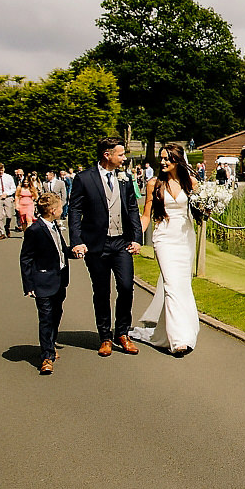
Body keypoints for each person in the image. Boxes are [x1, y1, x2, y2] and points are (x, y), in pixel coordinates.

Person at [68, 137, 143, 357]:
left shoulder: (125, 178)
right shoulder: (84, 179)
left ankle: (122, 332)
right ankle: (105, 337)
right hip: (96, 244)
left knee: (127, 287)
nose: (124, 158)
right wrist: (77, 241)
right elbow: (74, 211)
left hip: (121, 242)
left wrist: (137, 238)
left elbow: (132, 209)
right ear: (107, 155)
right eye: (120, 154)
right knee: (101, 291)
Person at [130, 143, 200, 356]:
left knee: (182, 285)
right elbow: (146, 215)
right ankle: (179, 340)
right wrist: (137, 239)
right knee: (170, 284)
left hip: (185, 237)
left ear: (177, 160)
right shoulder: (154, 183)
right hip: (164, 238)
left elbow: (198, 210)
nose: (162, 162)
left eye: (166, 158)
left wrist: (208, 208)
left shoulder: (192, 183)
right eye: (161, 158)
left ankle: (166, 333)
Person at [20, 193, 77, 375]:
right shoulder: (35, 230)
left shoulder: (55, 227)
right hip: (43, 281)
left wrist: (74, 252)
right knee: (45, 318)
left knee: (56, 313)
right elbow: (26, 259)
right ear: (53, 211)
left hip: (60, 279)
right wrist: (29, 285)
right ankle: (46, 356)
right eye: (60, 208)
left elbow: (60, 250)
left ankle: (50, 343)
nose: (62, 210)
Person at [0, 163, 17, 239]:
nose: (0, 172)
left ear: (4, 169)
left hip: (7, 196)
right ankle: (2, 232)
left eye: (2, 170)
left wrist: (7, 194)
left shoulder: (8, 177)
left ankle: (7, 226)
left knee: (9, 215)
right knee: (0, 216)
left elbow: (13, 188)